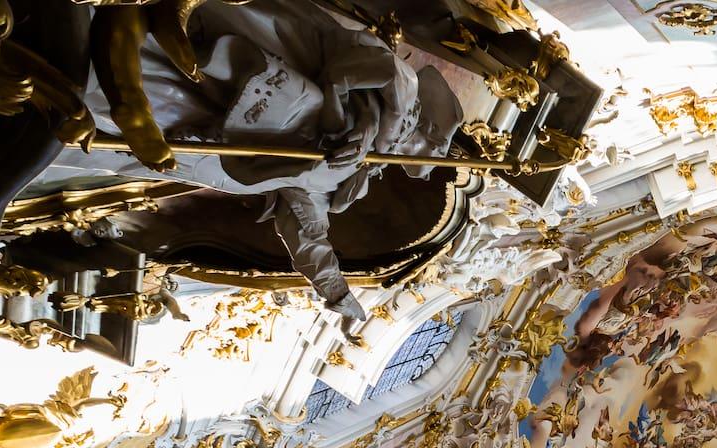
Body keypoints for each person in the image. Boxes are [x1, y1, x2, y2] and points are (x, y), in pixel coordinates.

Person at [60, 0, 463, 320]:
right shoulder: (396, 87)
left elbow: (307, 231)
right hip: (253, 70)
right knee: (160, 58)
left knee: (120, 102)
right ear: (424, 130)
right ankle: (113, 43)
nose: (411, 161)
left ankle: (103, 90)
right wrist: (343, 118)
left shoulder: (346, 177)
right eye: (424, 154)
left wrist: (334, 289)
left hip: (208, 131)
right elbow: (340, 73)